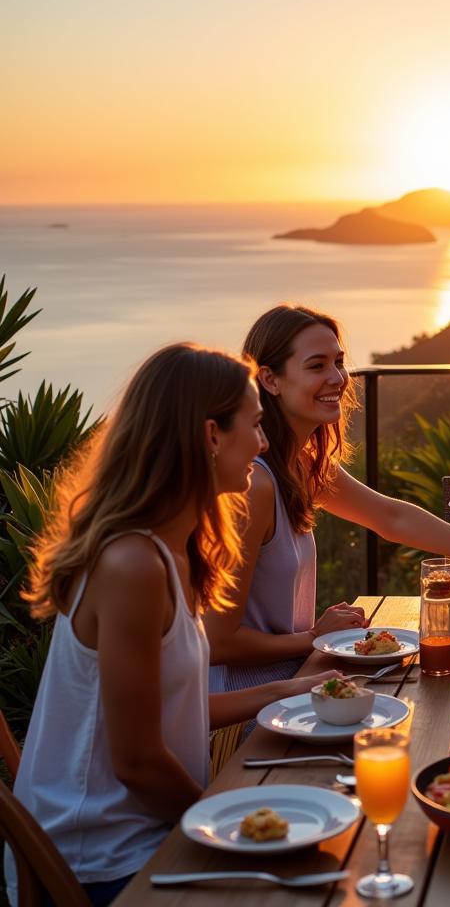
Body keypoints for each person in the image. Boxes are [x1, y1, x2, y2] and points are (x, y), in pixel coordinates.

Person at [7, 344, 347, 906]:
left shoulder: (175, 549)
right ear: (211, 436)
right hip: (104, 859)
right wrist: (224, 822)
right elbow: (138, 760)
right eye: (256, 426)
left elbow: (174, 711)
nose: (263, 444)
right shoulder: (132, 565)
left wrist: (295, 690)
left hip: (145, 834)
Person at [206, 306, 450, 691]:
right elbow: (217, 642)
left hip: (299, 681)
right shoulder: (255, 485)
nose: (337, 378)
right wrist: (315, 636)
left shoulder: (301, 467)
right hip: (252, 711)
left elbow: (391, 517)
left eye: (338, 362)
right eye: (317, 366)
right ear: (270, 379)